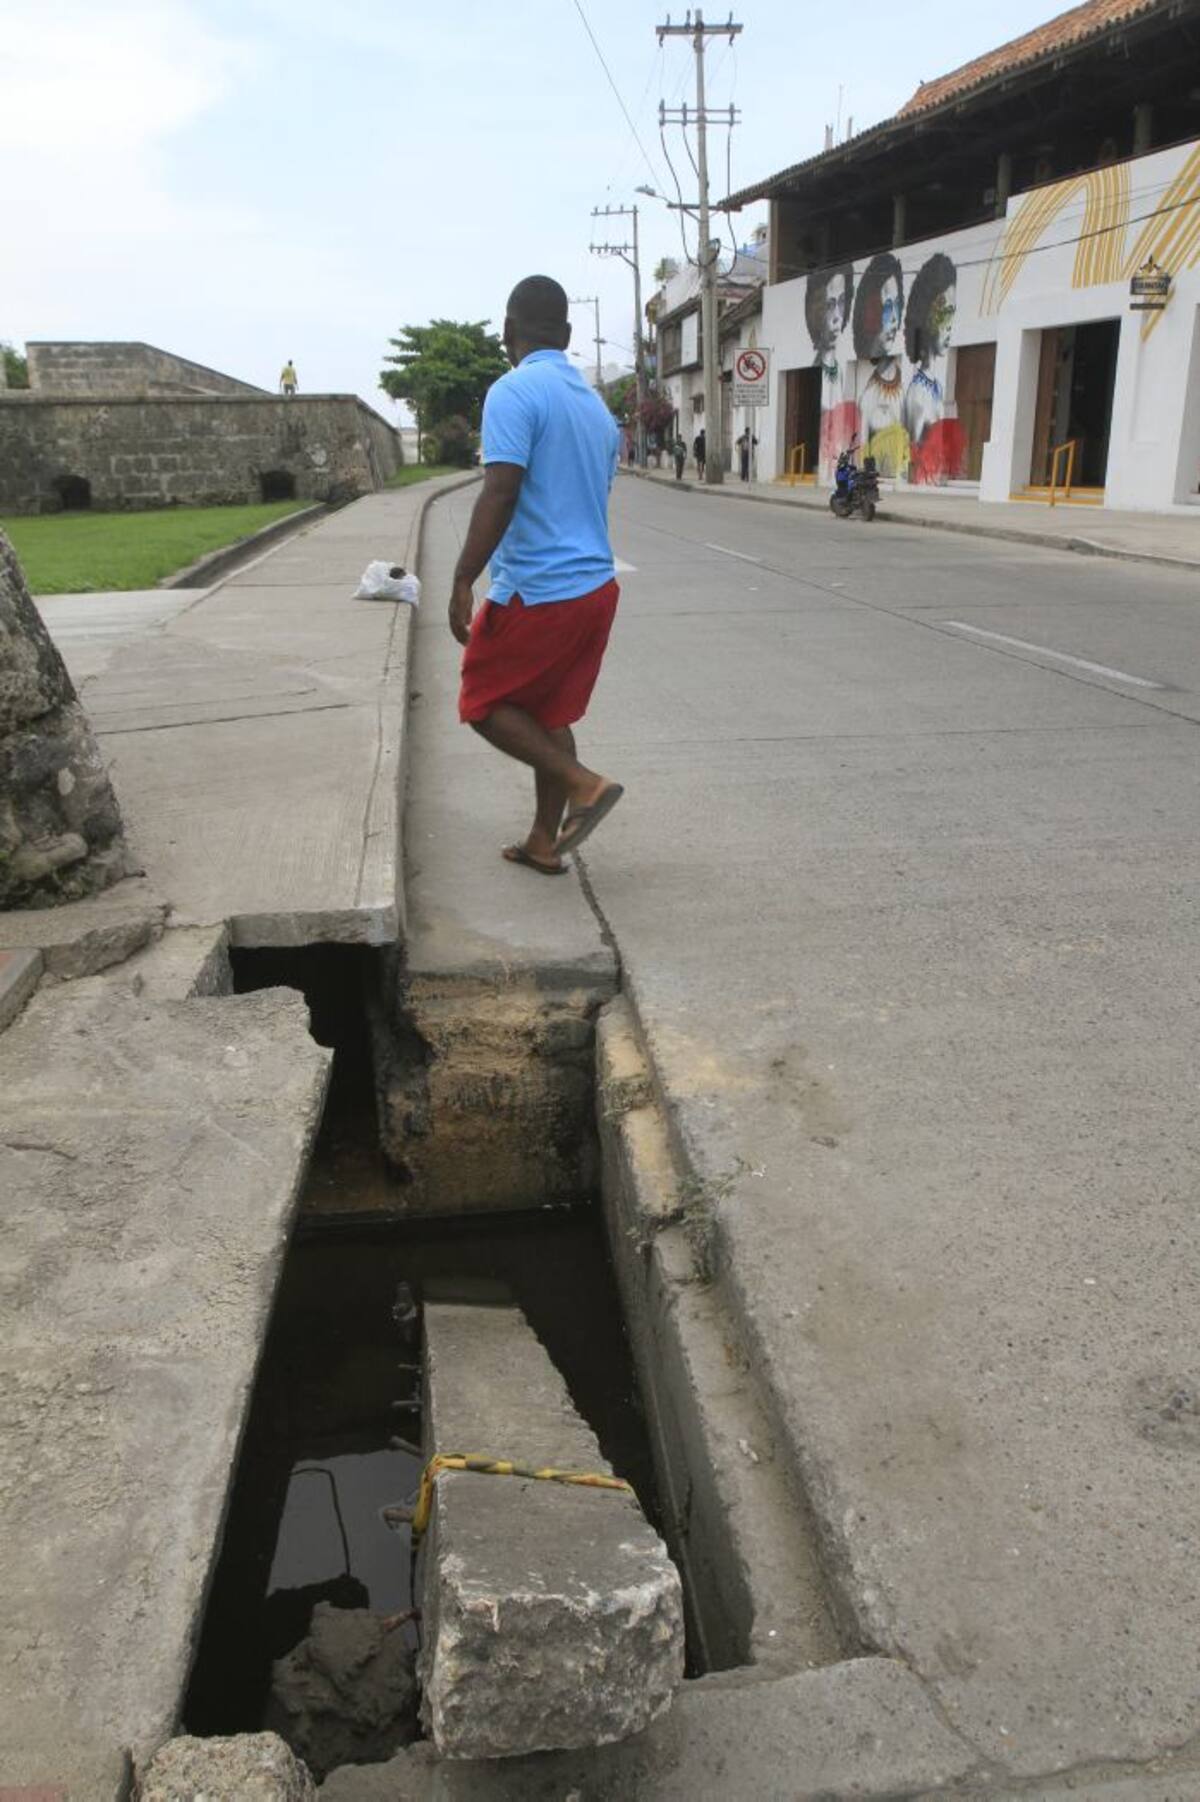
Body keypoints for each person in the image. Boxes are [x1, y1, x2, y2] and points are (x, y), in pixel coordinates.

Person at [449, 274, 624, 876]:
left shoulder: (513, 392)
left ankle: (585, 784)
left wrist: (462, 578)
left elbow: (500, 491)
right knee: (550, 716)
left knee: (482, 702)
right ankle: (542, 842)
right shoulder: (596, 409)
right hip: (595, 590)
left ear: (507, 331)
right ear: (568, 335)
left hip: (540, 592)